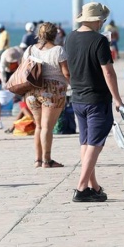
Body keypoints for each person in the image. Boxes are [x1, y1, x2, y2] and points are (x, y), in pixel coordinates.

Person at [65, 2, 124, 203]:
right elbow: (107, 71)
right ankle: (81, 188)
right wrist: (117, 99)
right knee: (95, 143)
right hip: (97, 99)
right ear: (97, 20)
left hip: (78, 98)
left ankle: (94, 186)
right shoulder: (99, 41)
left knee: (86, 142)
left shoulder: (70, 38)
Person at [22, 22, 70, 168]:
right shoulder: (58, 50)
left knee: (39, 126)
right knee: (47, 127)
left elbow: (24, 69)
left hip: (32, 91)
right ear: (55, 34)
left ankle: (38, 160)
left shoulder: (30, 49)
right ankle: (47, 160)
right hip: (52, 91)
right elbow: (66, 72)